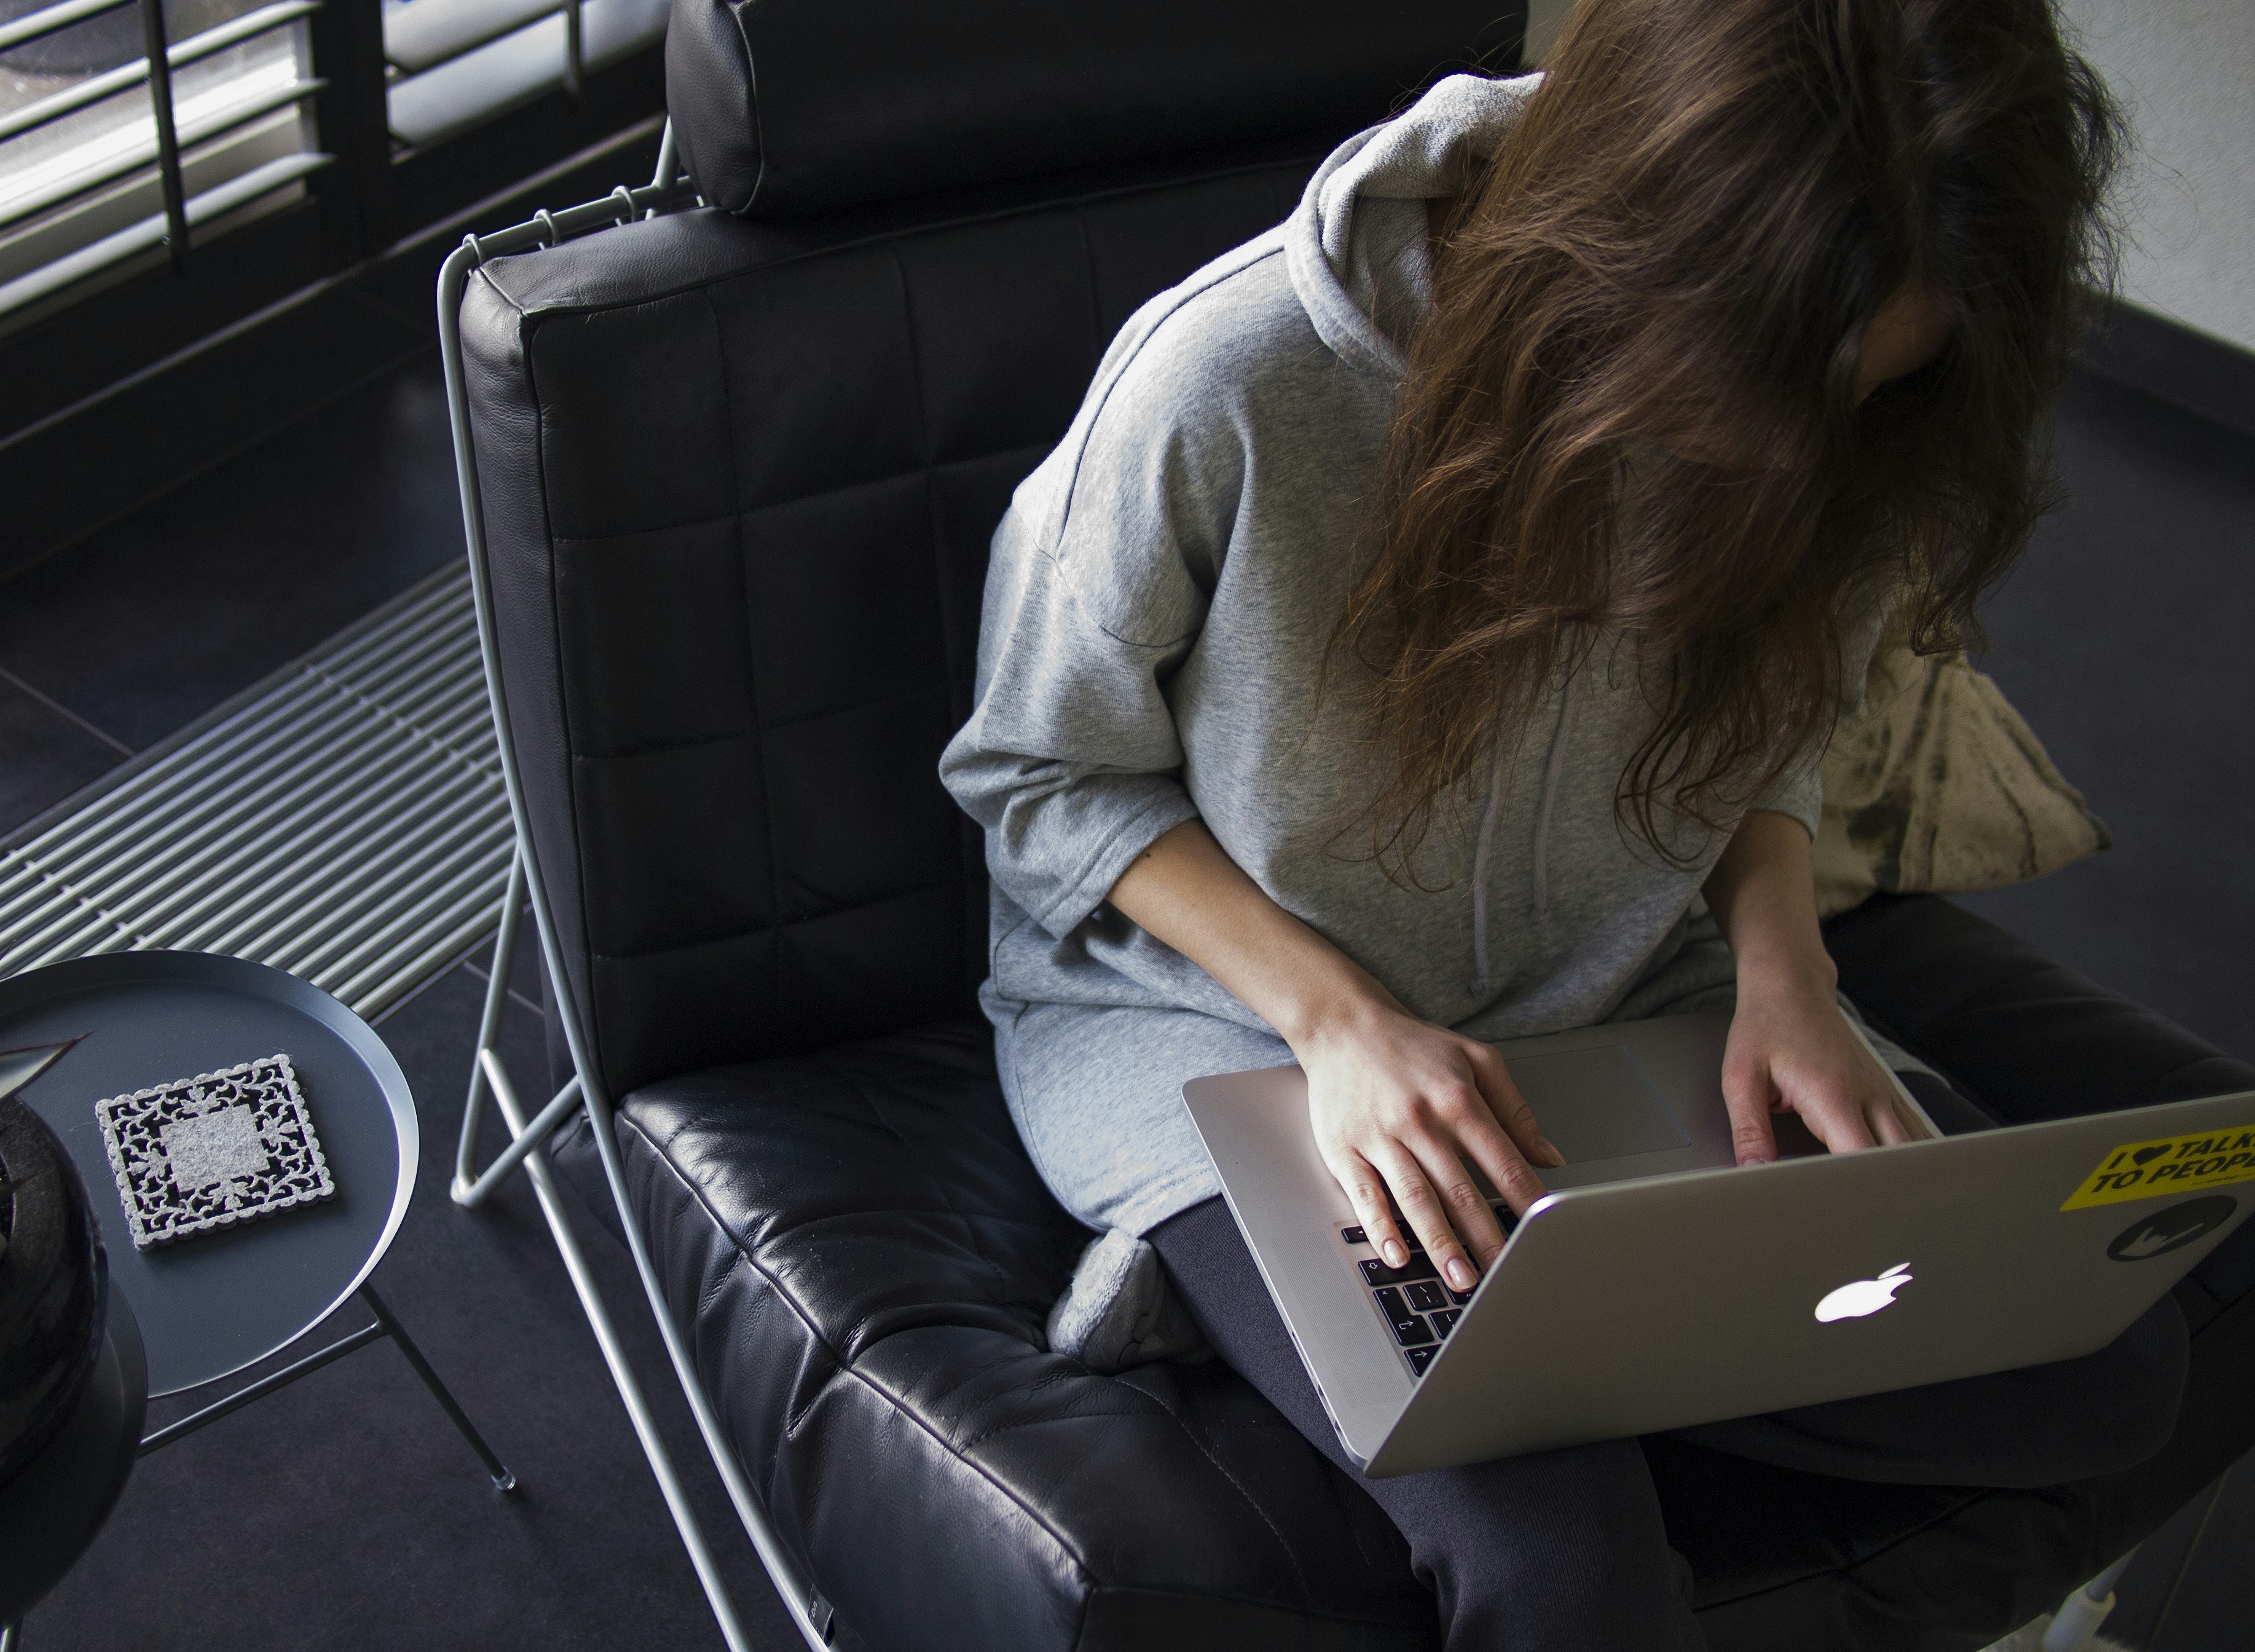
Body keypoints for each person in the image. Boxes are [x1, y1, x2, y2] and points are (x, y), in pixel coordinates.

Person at [938, 2, 2210, 1646]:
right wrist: (1342, 1026)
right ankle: (1282, 1282)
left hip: (1626, 992)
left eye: (1862, 398)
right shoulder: (1229, 378)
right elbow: (1035, 776)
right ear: (1627, 252)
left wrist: (1784, 974)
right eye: (1755, 390)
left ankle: (1512, 1348)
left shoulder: (1853, 390)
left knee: (2110, 1366)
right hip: (1227, 1029)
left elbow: (1777, 721)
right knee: (1562, 1573)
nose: (1795, 455)